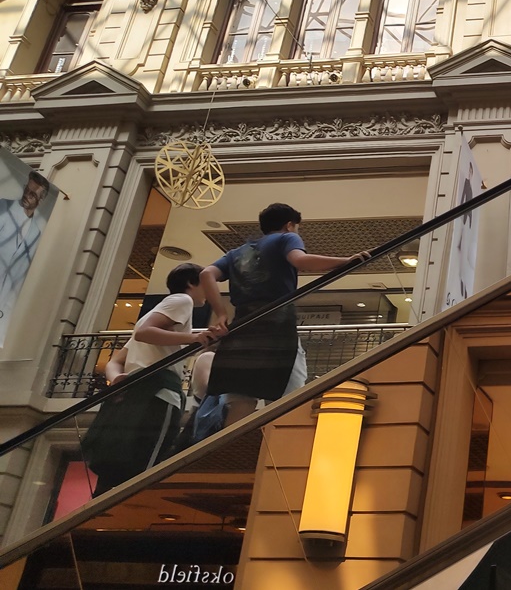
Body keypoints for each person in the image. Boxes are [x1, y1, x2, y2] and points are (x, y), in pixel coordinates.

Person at [200, 203, 369, 425]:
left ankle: (226, 453)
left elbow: (206, 274)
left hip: (241, 328)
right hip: (275, 323)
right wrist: (346, 261)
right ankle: (278, 456)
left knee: (240, 404)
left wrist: (221, 314)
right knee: (289, 399)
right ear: (290, 225)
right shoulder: (286, 238)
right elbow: (299, 260)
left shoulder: (237, 252)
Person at [80, 263, 220, 495]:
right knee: (147, 460)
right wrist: (194, 338)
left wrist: (116, 379)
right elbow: (145, 333)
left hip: (134, 393)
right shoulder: (181, 301)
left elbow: (117, 360)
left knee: (118, 460)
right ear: (191, 283)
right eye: (205, 283)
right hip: (157, 391)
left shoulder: (159, 313)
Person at [0, 171, 51, 347]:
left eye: (32, 194)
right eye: (26, 190)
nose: (26, 196)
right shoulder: (2, 207)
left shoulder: (35, 232)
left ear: (40, 200)